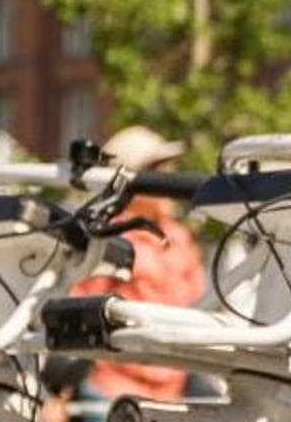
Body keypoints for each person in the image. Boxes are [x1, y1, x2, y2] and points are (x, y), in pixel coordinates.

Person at [79, 125, 207, 404]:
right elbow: (80, 315)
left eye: (169, 168)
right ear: (128, 184)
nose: (170, 179)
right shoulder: (107, 239)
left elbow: (201, 305)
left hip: (174, 389)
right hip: (112, 391)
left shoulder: (179, 238)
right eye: (157, 171)